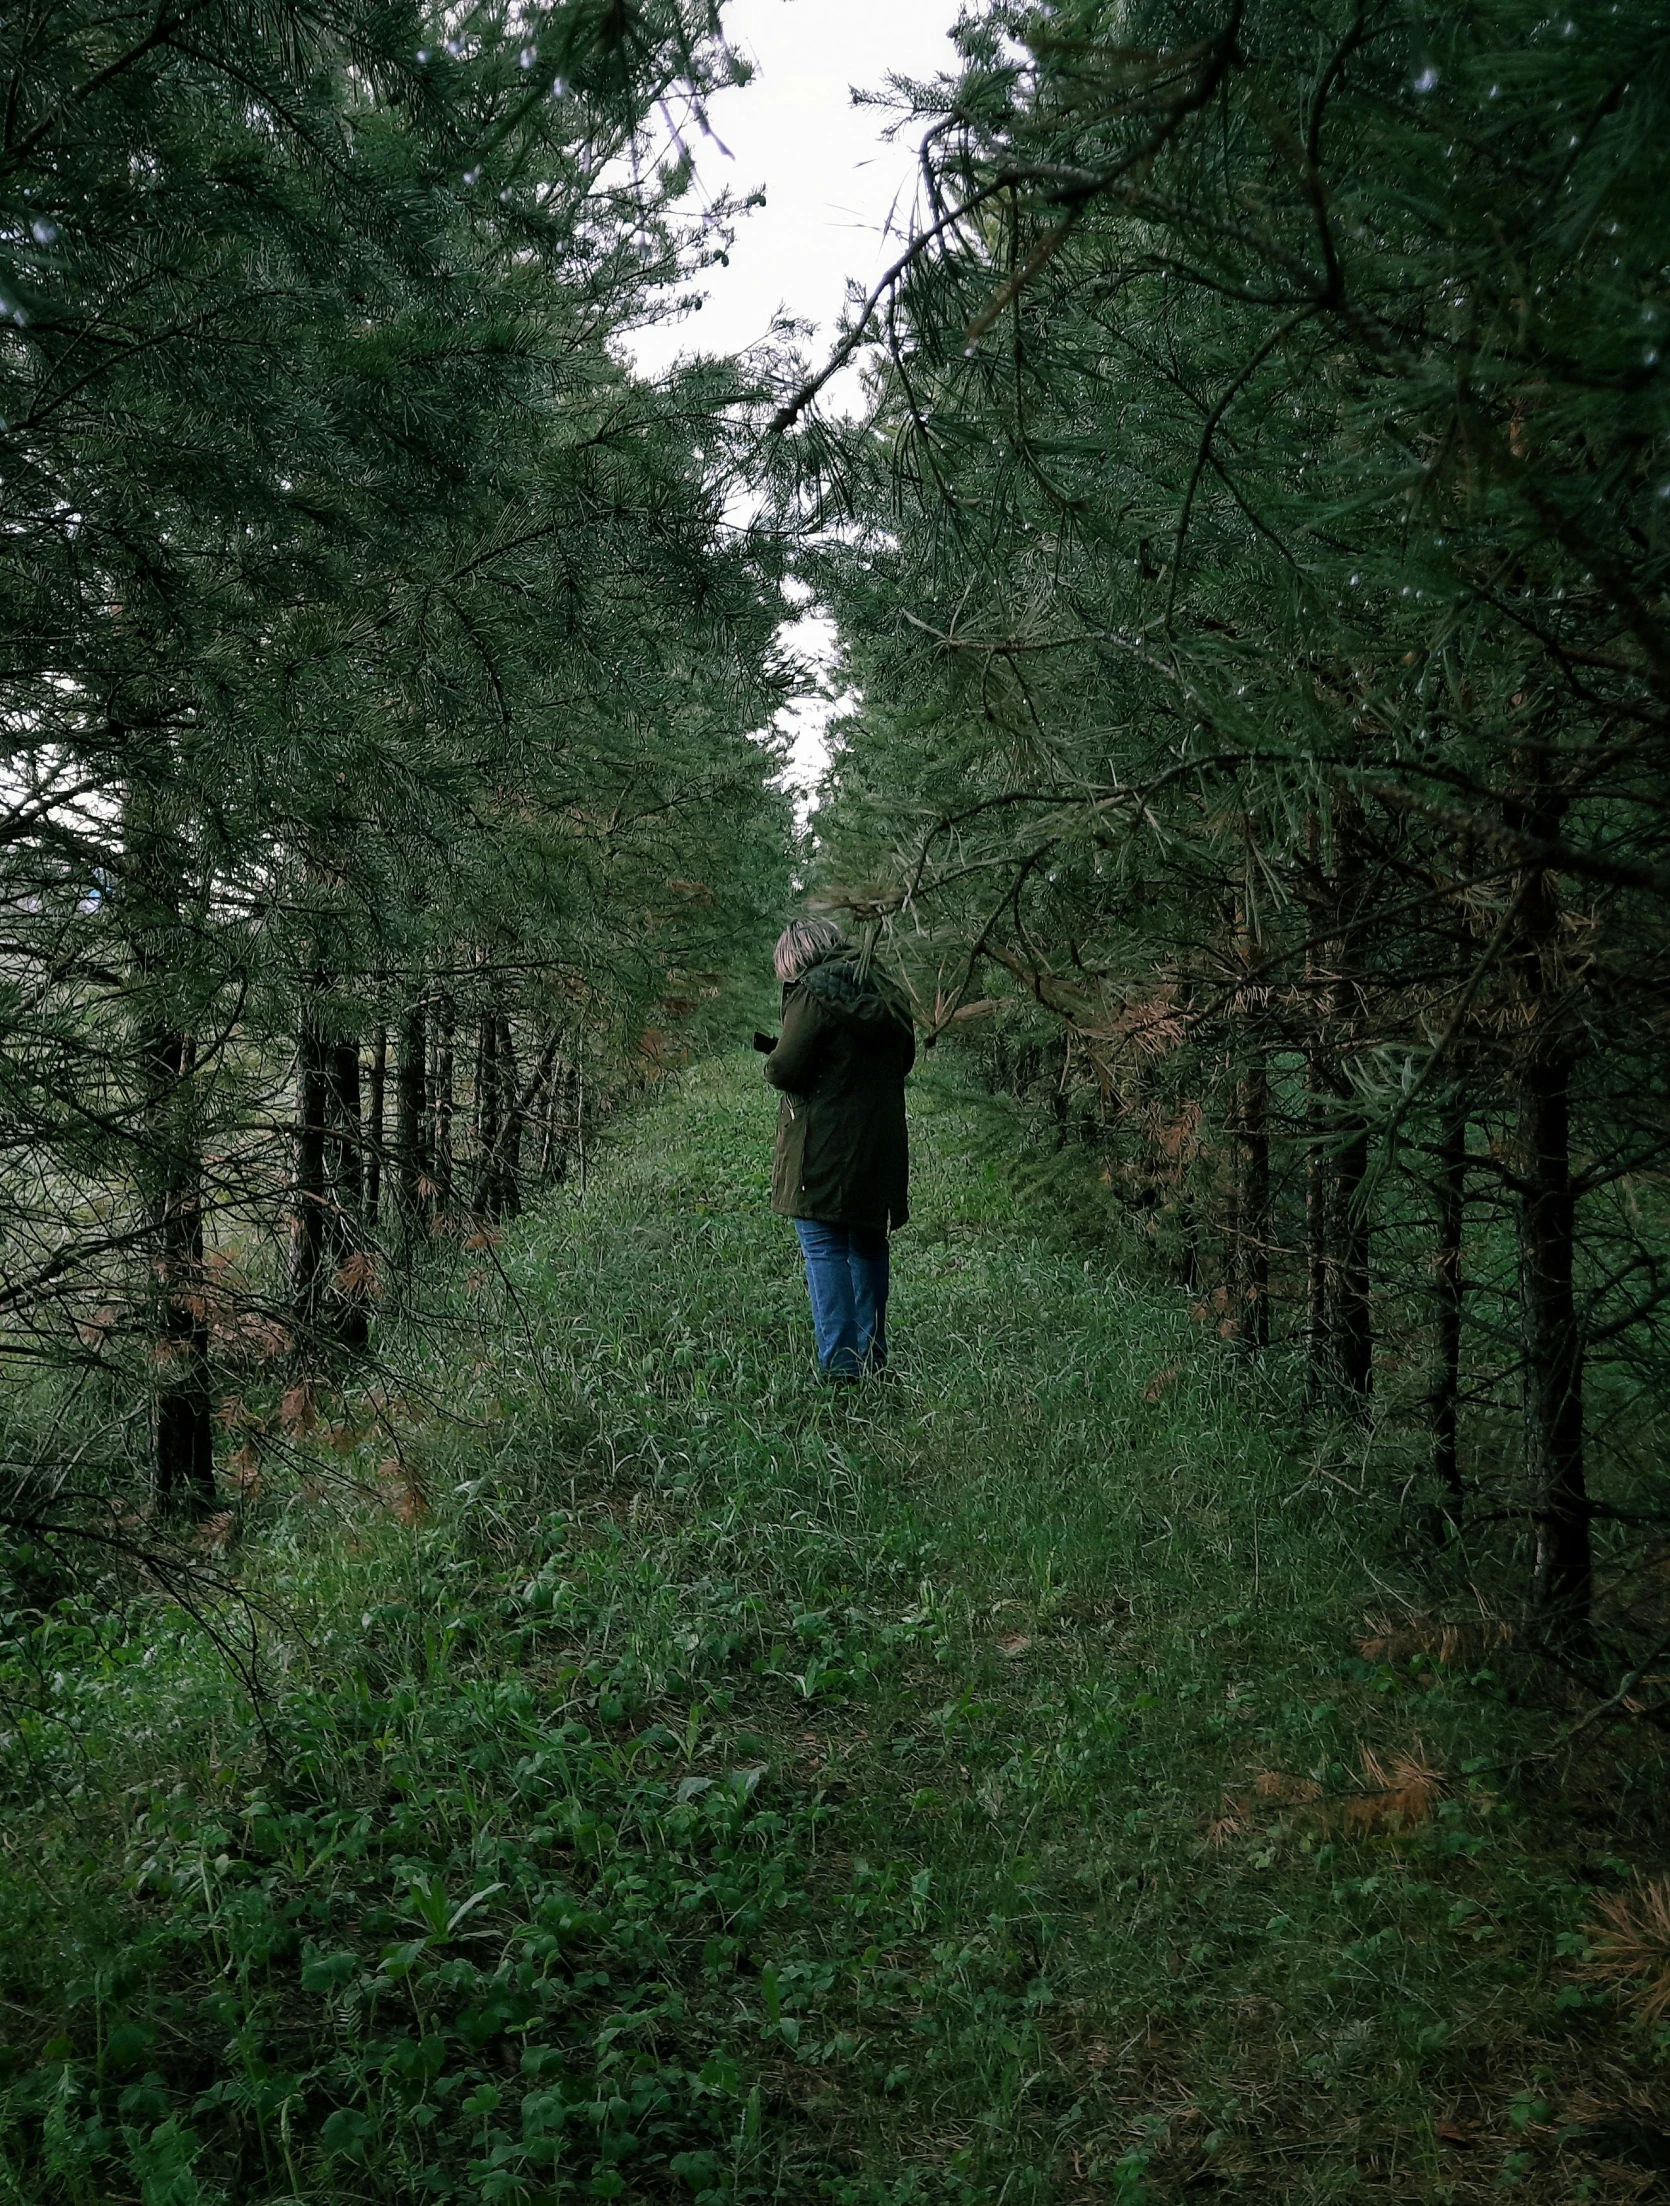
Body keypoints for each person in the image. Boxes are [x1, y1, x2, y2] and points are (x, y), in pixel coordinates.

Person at [755, 917, 915, 1381]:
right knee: (867, 1244)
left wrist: (774, 1056)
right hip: (877, 1146)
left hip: (821, 1150)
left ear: (795, 958)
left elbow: (784, 1069)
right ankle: (873, 1359)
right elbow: (903, 1059)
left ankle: (841, 1368)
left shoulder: (812, 991)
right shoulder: (884, 985)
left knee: (824, 1248)